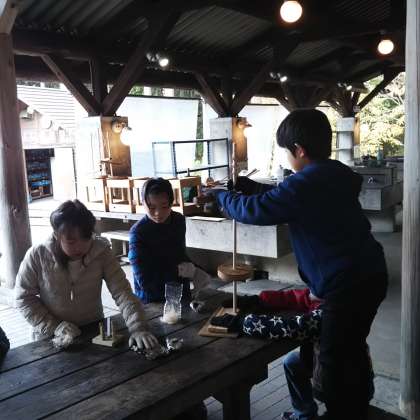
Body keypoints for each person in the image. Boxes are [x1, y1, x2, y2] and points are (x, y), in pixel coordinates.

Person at [201, 109, 388, 420]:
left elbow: (257, 211)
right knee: (347, 349)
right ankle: (344, 407)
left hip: (346, 286)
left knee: (335, 364)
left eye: (287, 152)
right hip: (369, 274)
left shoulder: (307, 183)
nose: (287, 158)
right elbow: (283, 196)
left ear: (299, 150)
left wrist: (223, 198)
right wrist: (248, 186)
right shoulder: (332, 175)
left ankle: (346, 411)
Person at [15, 200, 158, 350]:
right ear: (57, 235)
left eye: (86, 238)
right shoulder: (37, 255)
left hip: (92, 331)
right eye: (71, 241)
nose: (80, 247)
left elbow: (122, 292)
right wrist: (55, 326)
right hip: (49, 337)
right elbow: (23, 298)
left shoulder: (101, 251)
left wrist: (138, 328)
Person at [128, 178, 210, 304]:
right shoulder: (138, 233)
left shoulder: (178, 220)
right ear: (143, 203)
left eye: (164, 206)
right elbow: (145, 281)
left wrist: (197, 270)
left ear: (171, 202)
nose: (158, 213)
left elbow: (179, 254)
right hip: (153, 299)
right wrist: (179, 271)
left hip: (181, 292)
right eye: (151, 207)